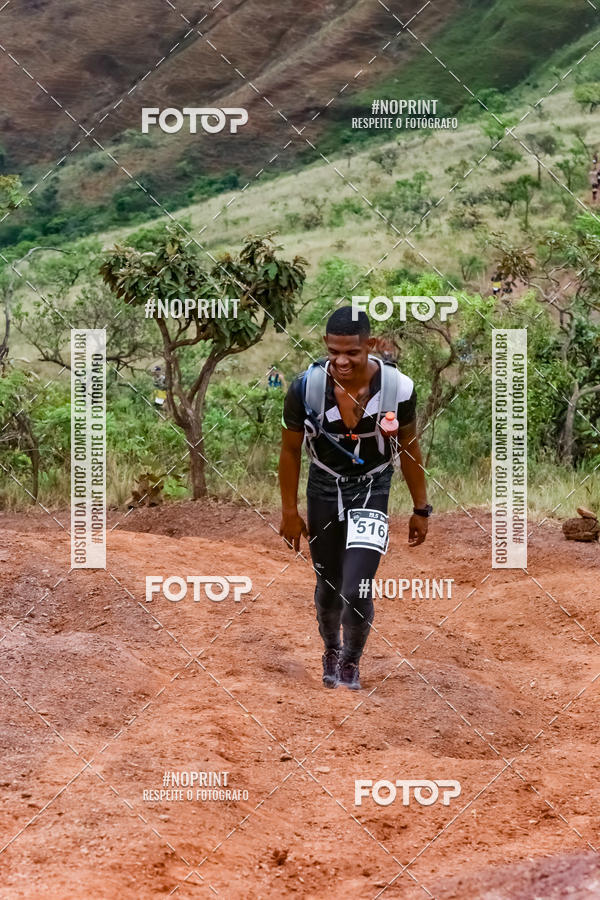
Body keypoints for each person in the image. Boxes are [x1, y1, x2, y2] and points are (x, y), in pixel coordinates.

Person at [278, 307, 430, 690]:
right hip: (323, 487)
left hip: (373, 487)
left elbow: (409, 449)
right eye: (333, 352)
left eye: (352, 353)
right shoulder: (305, 388)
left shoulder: (397, 390)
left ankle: (350, 661)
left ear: (370, 346)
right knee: (328, 585)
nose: (341, 361)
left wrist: (420, 508)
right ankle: (330, 649)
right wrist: (289, 512)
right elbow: (290, 451)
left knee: (356, 585)